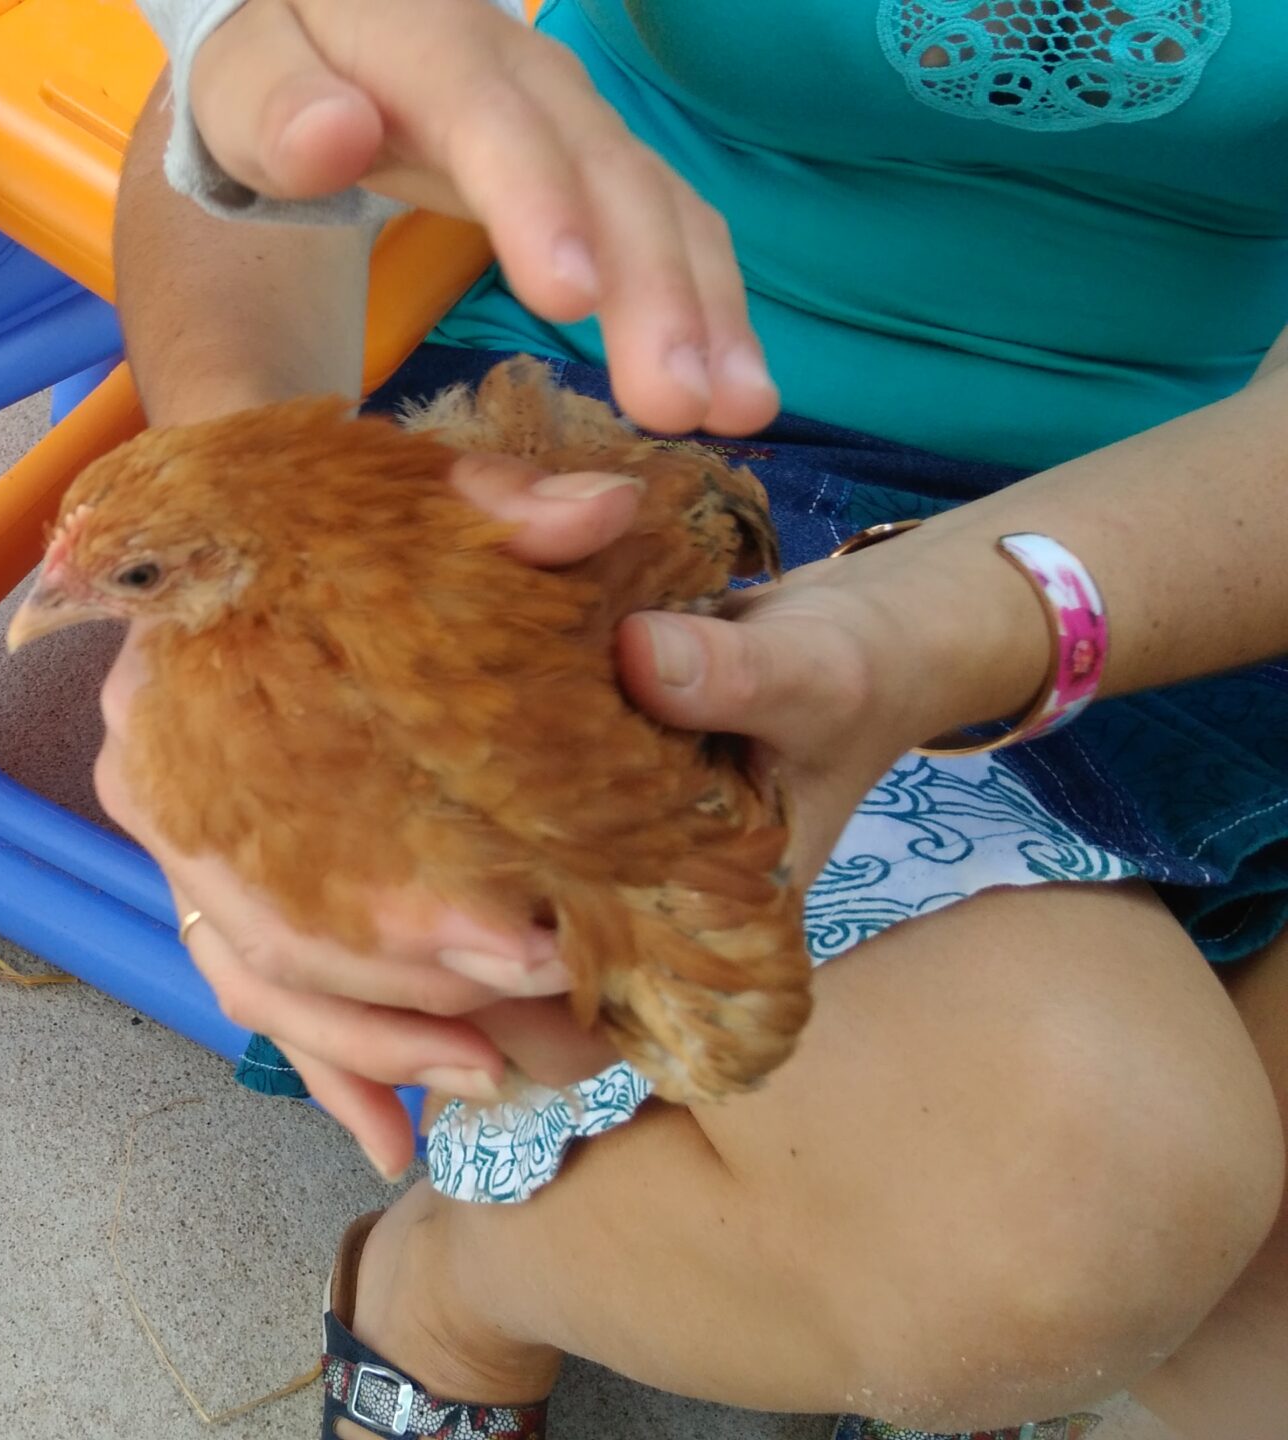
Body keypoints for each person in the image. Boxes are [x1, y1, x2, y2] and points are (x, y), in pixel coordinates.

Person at [108, 0, 1288, 1436]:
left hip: (1214, 533)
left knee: (1196, 1299)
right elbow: (270, 88)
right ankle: (461, 1284)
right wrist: (240, 558)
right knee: (1056, 1226)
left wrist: (948, 625)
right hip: (644, 446)